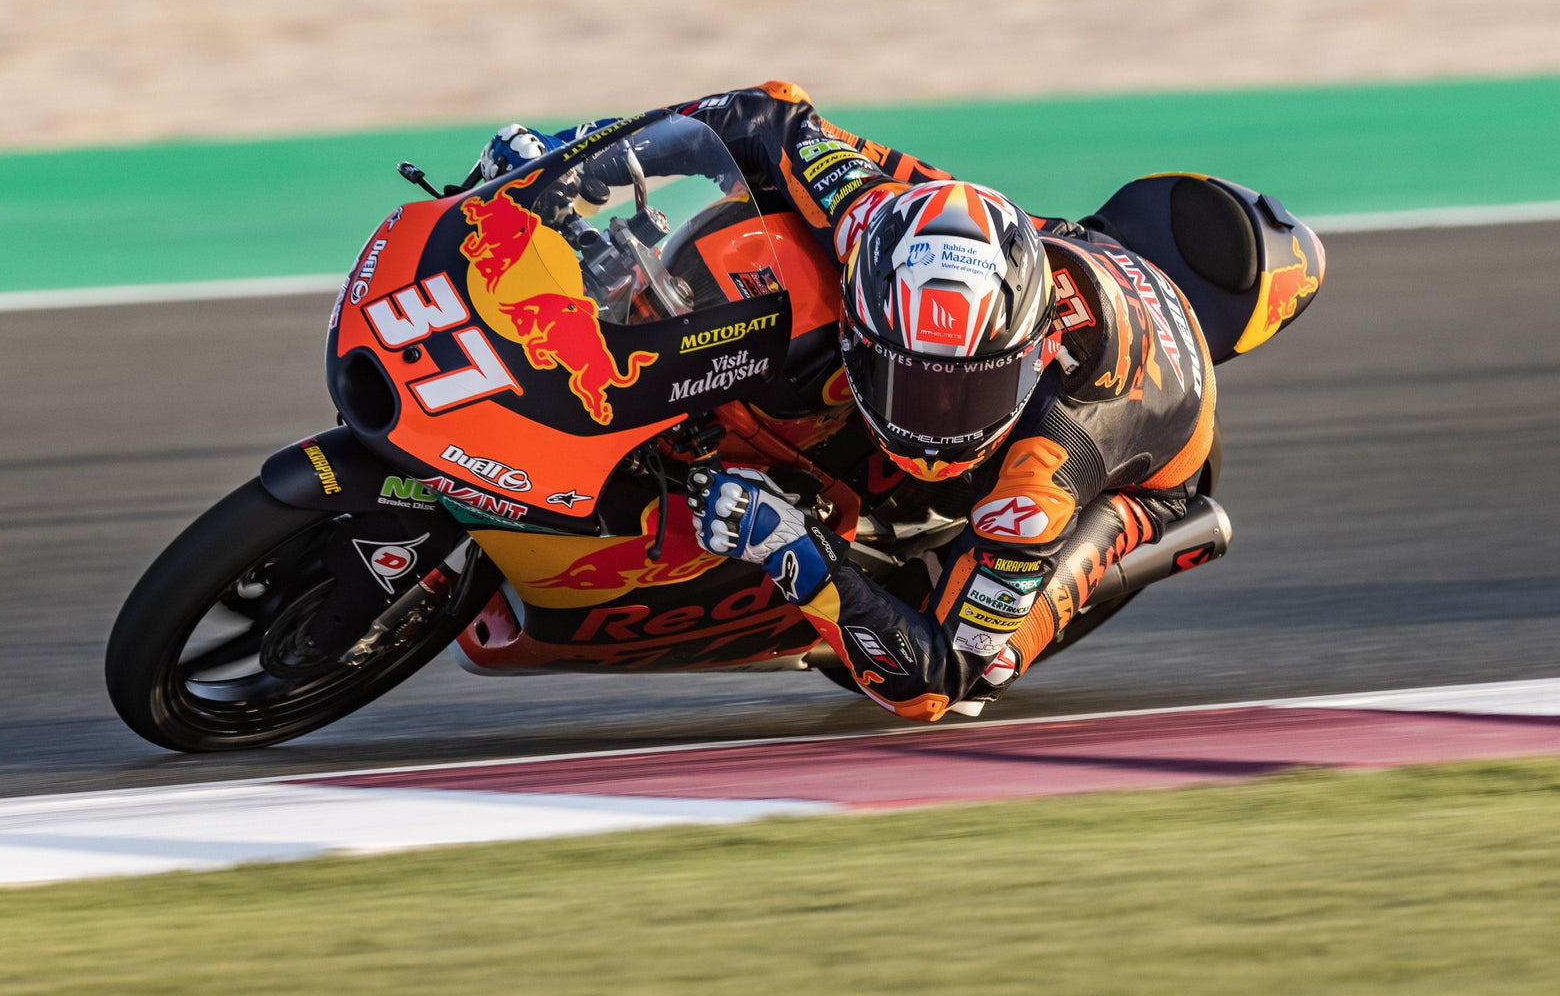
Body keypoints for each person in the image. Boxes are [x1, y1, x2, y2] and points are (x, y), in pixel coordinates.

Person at [475, 81, 1214, 721]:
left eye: (966, 392)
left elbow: (932, 684)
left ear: (1026, 357)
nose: (931, 422)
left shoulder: (1042, 478)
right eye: (910, 382)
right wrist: (570, 161)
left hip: (1144, 477)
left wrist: (792, 547)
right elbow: (763, 115)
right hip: (1042, 255)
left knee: (982, 672)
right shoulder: (871, 220)